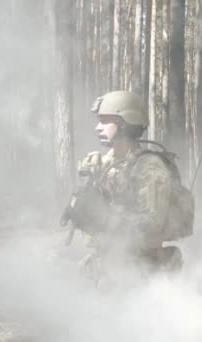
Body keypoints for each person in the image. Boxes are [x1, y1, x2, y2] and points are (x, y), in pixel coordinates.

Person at [67, 90, 193, 287]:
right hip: (109, 258)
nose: (98, 127)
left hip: (144, 265)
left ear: (124, 123)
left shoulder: (149, 166)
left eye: (105, 121)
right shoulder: (105, 162)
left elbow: (152, 222)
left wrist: (104, 218)